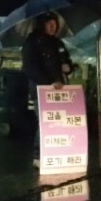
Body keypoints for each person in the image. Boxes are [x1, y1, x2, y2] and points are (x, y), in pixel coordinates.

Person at [22, 12, 74, 164]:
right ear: (41, 24)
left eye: (55, 24)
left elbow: (67, 60)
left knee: (59, 121)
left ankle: (56, 154)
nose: (53, 27)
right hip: (41, 90)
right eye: (49, 24)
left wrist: (68, 67)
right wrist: (48, 82)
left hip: (61, 90)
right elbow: (30, 68)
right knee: (45, 121)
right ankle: (38, 155)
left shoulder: (57, 42)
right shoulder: (32, 42)